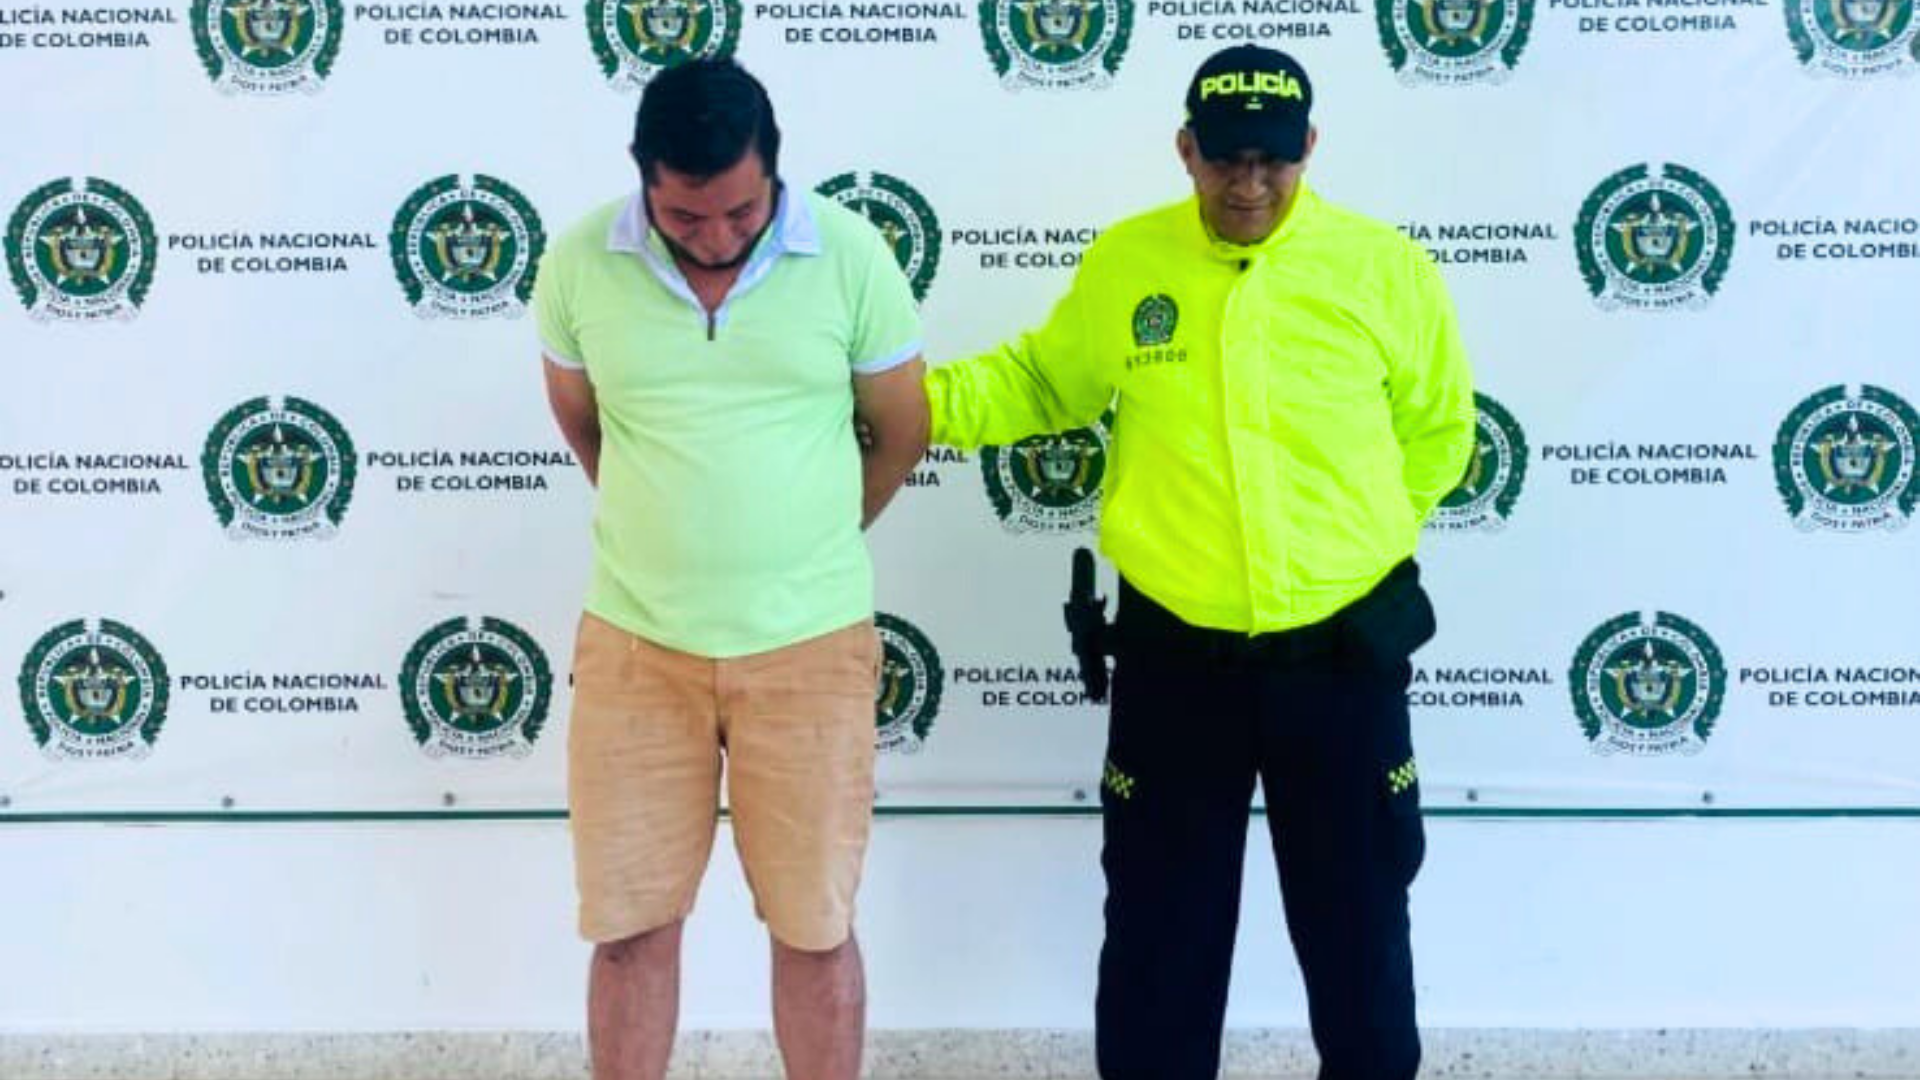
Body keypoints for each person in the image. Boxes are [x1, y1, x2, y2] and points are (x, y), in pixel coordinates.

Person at [924, 45, 1475, 1080]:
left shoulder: (1386, 269)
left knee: (1360, 932)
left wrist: (1356, 540)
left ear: (1310, 148)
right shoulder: (1127, 263)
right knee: (1158, 943)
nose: (1250, 184)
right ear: (1186, 150)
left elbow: (1441, 431)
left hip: (1343, 661)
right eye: (1226, 159)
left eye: (1274, 160)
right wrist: (905, 404)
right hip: (1175, 661)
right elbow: (1041, 384)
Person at [534, 56, 929, 1080]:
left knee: (815, 927)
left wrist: (806, 541)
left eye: (741, 213)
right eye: (684, 217)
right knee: (627, 930)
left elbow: (900, 431)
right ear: (643, 178)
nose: (715, 237)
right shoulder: (577, 263)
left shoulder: (851, 255)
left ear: (774, 171)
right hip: (634, 647)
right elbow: (584, 425)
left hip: (811, 649)